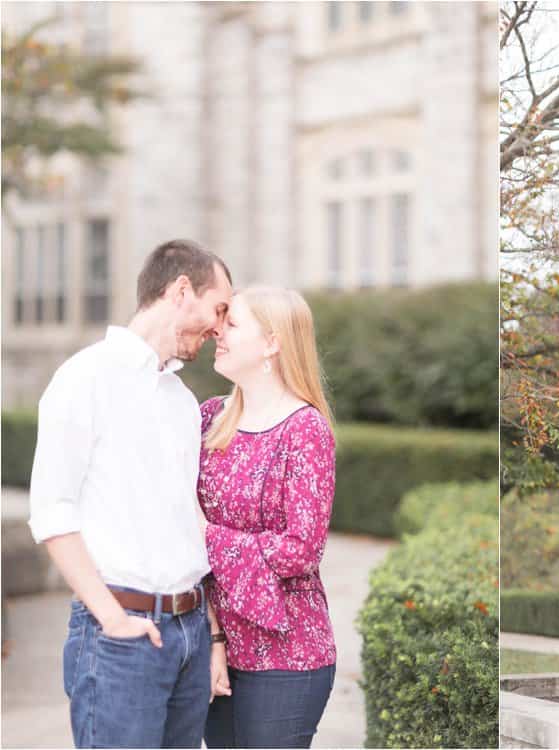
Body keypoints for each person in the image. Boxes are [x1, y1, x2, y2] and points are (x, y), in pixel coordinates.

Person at [28, 240, 233, 748]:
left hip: (189, 635)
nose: (220, 327)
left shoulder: (181, 401)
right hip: (120, 638)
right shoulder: (84, 379)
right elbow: (52, 513)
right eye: (219, 308)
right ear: (182, 290)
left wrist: (210, 636)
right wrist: (114, 619)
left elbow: (189, 525)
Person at [198, 286, 337, 749]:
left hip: (288, 655)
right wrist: (214, 639)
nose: (218, 331)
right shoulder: (209, 419)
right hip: (217, 647)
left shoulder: (306, 430)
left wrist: (206, 537)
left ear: (273, 342)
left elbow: (301, 549)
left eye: (232, 324)